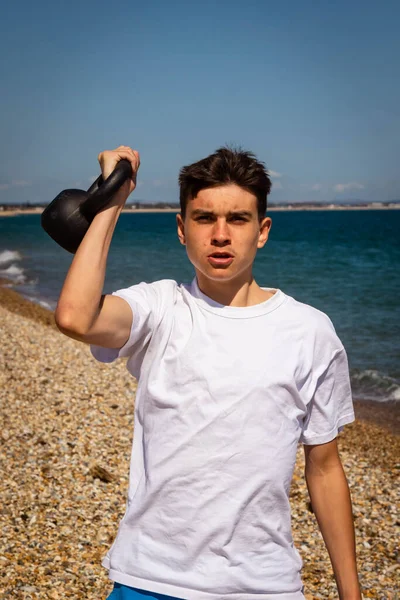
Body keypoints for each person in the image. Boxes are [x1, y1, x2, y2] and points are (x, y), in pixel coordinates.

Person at [55, 145, 362, 600]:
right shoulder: (160, 308)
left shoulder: (310, 331)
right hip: (150, 577)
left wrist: (350, 594)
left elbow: (325, 468)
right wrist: (113, 199)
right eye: (204, 219)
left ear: (262, 230)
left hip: (263, 585)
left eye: (238, 219)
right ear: (182, 229)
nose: (221, 234)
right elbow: (76, 317)